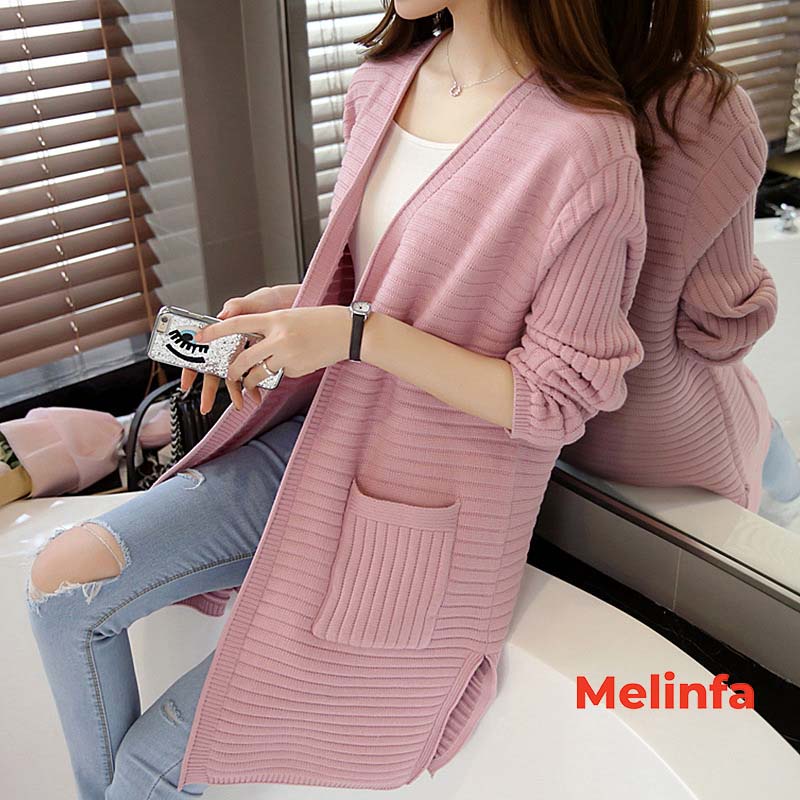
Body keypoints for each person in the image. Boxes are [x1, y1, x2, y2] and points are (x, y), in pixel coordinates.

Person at [25, 3, 648, 798]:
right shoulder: (384, 83)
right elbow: (391, 285)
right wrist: (294, 311)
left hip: (425, 516)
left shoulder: (584, 145)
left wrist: (356, 335)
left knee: (149, 771)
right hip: (317, 445)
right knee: (63, 589)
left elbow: (556, 399)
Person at [561, 0, 792, 518]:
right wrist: (758, 288)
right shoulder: (707, 110)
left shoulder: (513, 89)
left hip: (558, 435)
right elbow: (720, 328)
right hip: (670, 438)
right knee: (775, 453)